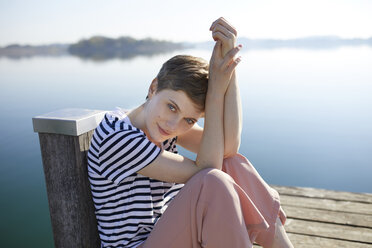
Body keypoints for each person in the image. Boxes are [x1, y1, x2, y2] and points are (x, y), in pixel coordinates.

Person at [87, 17, 294, 248]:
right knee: (213, 180)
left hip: (173, 234)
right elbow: (207, 171)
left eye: (189, 119)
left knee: (232, 164)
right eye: (172, 106)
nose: (174, 125)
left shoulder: (160, 127)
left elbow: (228, 148)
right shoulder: (119, 137)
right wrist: (215, 92)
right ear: (153, 87)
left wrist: (229, 72)